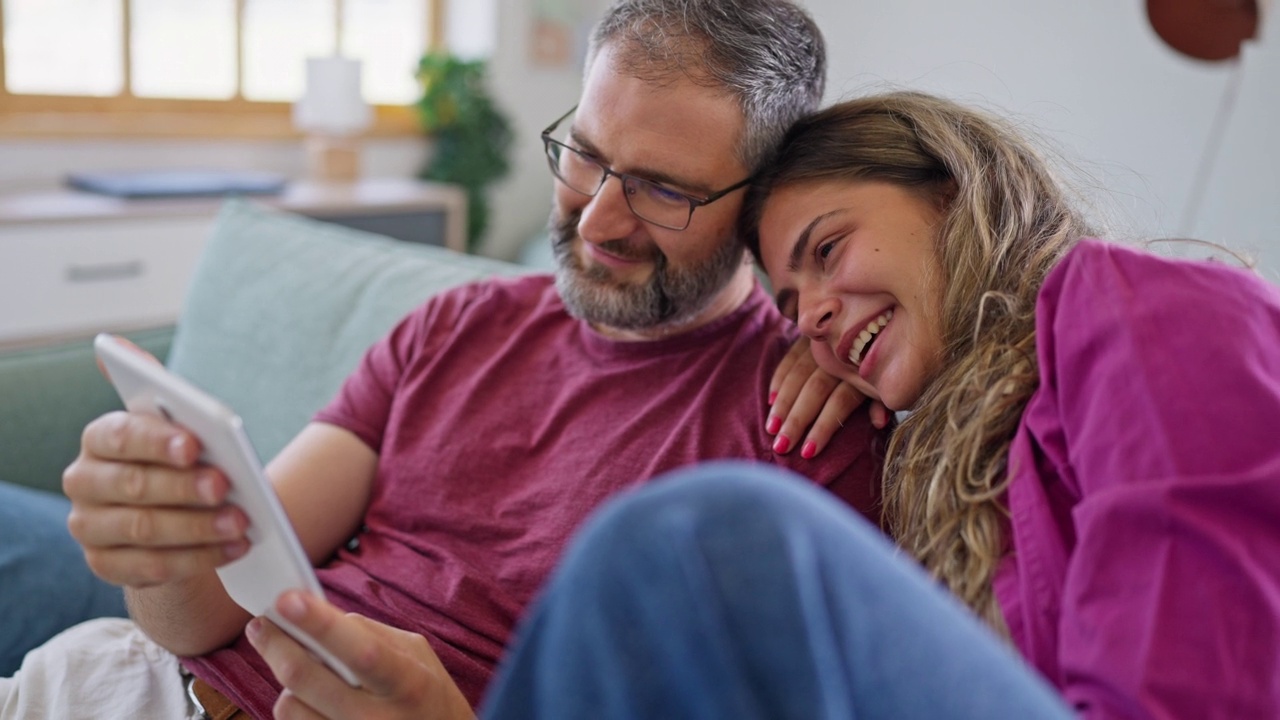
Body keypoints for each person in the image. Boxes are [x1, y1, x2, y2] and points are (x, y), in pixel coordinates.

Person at [0, 1, 887, 718]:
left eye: (664, 189)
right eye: (585, 153)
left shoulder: (811, 426)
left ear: (762, 199)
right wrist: (160, 556)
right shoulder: (455, 325)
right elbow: (203, 619)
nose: (596, 220)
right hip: (136, 688)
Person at [458, 91, 1280, 718]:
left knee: (703, 534)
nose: (810, 314)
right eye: (788, 306)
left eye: (827, 249)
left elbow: (1192, 686)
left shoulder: (1139, 308)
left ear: (952, 191)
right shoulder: (956, 458)